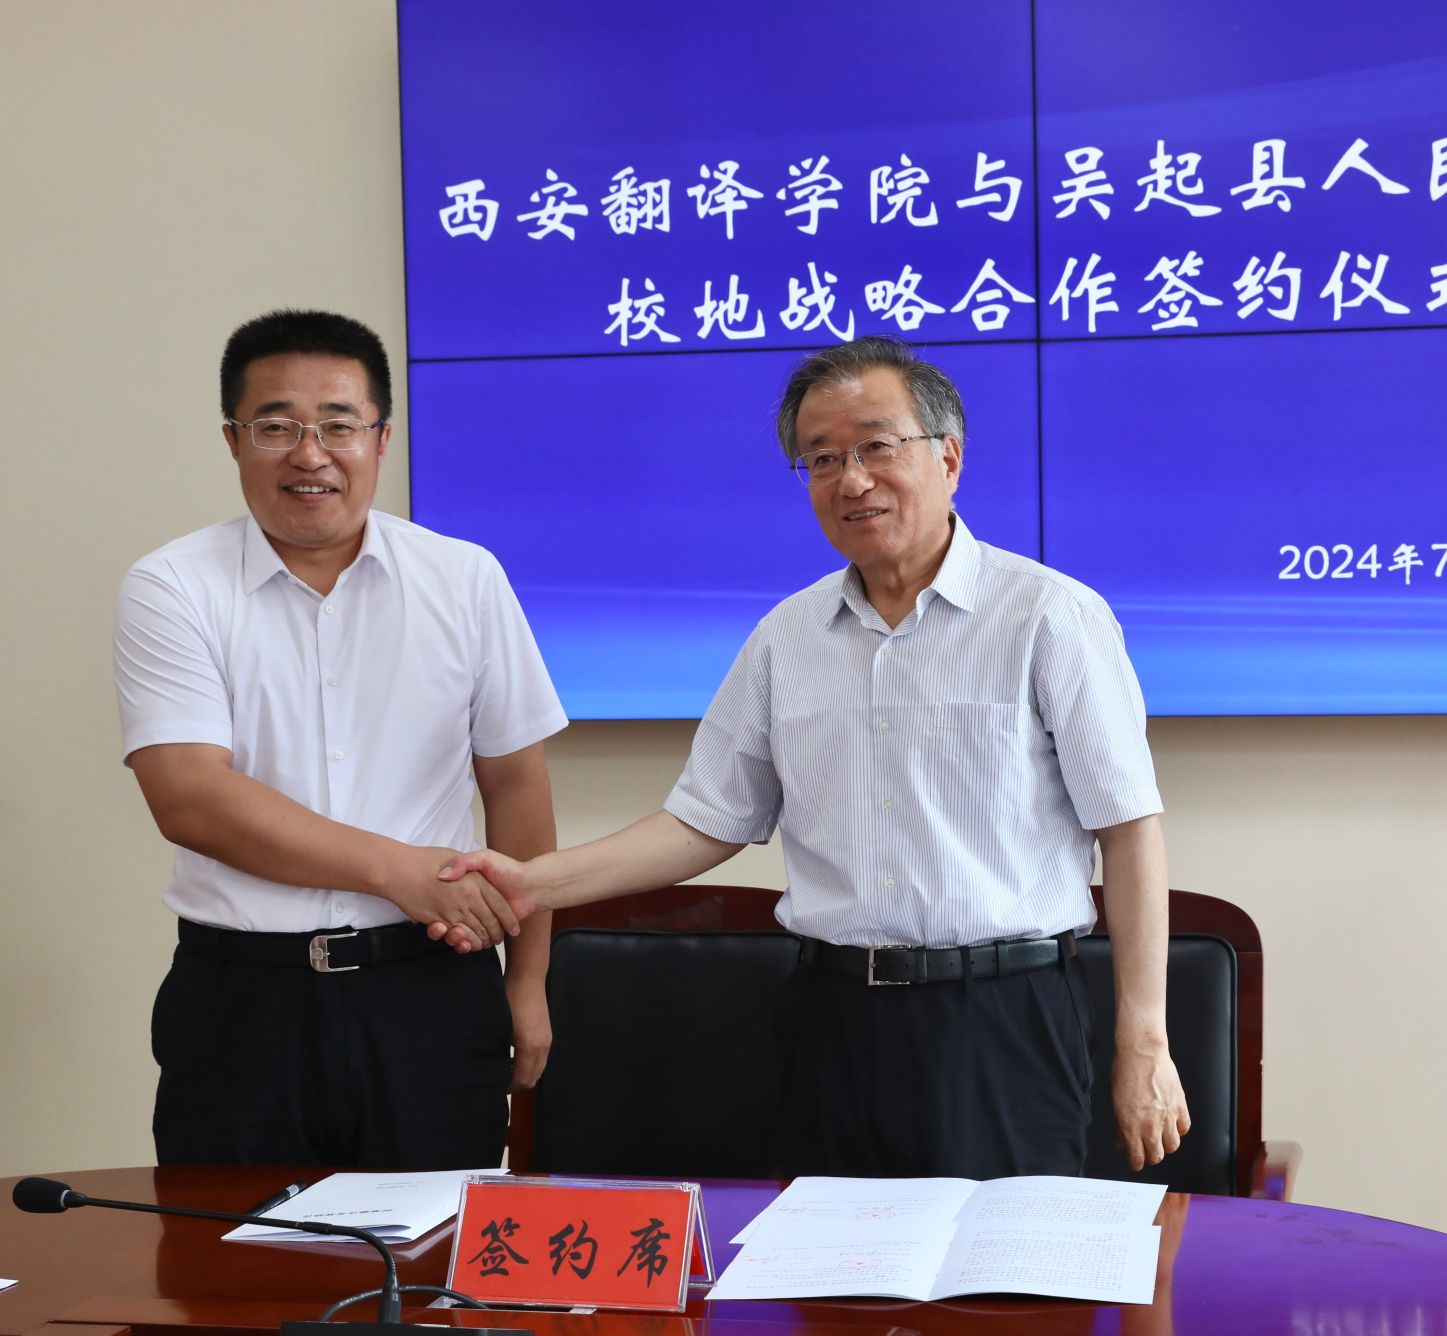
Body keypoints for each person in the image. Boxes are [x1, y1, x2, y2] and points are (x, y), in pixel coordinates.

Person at [444, 336, 1187, 1179]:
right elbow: (703, 821)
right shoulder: (785, 638)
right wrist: (529, 883)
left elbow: (1129, 830)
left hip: (1002, 1019)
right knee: (831, 1259)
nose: (851, 480)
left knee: (1002, 1264)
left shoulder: (1049, 617)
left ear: (948, 456)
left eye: (876, 447)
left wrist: (1144, 1041)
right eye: (822, 459)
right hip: (832, 1022)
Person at [113, 308, 565, 1168]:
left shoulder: (463, 578)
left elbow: (516, 786)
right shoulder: (172, 586)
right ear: (233, 440)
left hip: (429, 995)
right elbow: (191, 798)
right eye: (276, 426)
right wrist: (401, 871)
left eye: (338, 425)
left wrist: (530, 979)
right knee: (228, 1250)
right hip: (242, 1002)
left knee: (435, 1249)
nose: (309, 454)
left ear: (381, 439)